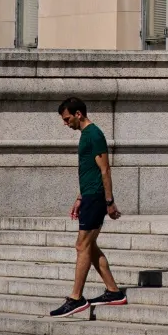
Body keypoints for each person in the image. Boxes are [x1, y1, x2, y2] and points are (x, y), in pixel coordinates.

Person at [50, 96, 126, 318]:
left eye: (67, 119)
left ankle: (76, 298)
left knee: (81, 245)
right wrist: (80, 197)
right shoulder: (86, 135)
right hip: (89, 196)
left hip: (97, 198)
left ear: (78, 114)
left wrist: (109, 202)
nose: (66, 123)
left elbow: (105, 170)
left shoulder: (94, 134)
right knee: (89, 247)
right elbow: (89, 171)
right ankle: (113, 292)